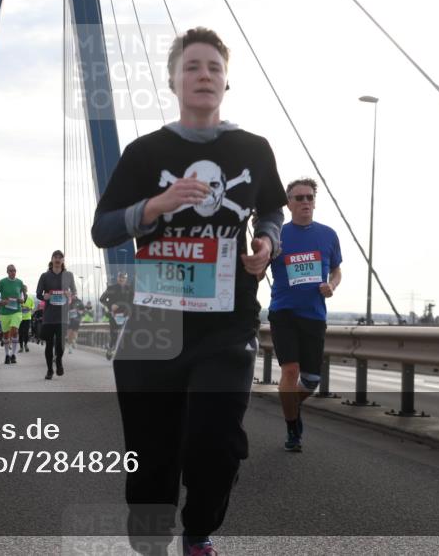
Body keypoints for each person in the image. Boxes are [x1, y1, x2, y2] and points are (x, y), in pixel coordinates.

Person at [91, 28, 286, 555]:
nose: (204, 75)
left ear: (226, 83)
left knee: (214, 442)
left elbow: (272, 208)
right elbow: (103, 229)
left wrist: (267, 242)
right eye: (193, 67)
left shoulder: (254, 149)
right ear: (174, 80)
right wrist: (157, 205)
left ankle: (198, 535)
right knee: (152, 454)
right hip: (154, 324)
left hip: (226, 324)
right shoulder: (144, 153)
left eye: (214, 68)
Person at [269, 178, 342, 452]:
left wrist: (331, 285)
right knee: (290, 370)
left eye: (309, 197)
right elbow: (259, 265)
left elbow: (336, 270)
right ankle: (293, 430)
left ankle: (290, 407)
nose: (305, 202)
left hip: (313, 315)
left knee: (311, 380)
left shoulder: (328, 234)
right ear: (288, 204)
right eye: (298, 198)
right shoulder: (277, 234)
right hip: (283, 312)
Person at [35, 250, 77, 380]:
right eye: (55, 257)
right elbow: (38, 294)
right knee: (49, 344)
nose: (58, 259)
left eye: (60, 257)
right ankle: (49, 370)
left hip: (62, 316)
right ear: (52, 259)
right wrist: (44, 296)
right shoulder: (45, 276)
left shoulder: (69, 275)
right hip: (49, 316)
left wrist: (71, 295)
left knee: (60, 344)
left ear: (63, 260)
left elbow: (74, 292)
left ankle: (58, 360)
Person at [99, 271, 133, 361]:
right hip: (114, 315)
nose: (121, 279)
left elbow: (132, 302)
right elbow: (102, 299)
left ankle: (121, 355)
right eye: (120, 277)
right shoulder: (111, 288)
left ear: (126, 279)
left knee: (125, 335)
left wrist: (128, 309)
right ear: (117, 278)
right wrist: (110, 306)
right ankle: (110, 349)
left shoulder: (129, 289)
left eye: (123, 278)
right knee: (114, 335)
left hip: (125, 316)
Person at [0, 265, 24, 365]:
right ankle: (7, 355)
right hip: (5, 312)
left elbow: (22, 295)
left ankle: (13, 354)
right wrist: (0, 301)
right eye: (11, 271)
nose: (13, 272)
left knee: (14, 330)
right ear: (7, 272)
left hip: (17, 311)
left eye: (14, 271)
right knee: (6, 335)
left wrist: (21, 300)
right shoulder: (2, 282)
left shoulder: (19, 282)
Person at [19, 285, 34, 352]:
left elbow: (33, 306)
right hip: (19, 318)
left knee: (26, 332)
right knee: (20, 332)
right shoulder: (19, 298)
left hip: (27, 318)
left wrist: (29, 308)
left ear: (26, 290)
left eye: (25, 289)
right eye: (22, 290)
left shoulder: (30, 298)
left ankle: (26, 345)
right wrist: (20, 308)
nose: (24, 291)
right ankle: (21, 347)